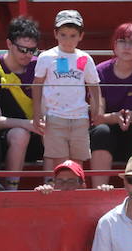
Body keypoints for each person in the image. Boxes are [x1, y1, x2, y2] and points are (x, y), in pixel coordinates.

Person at [33, 9, 102, 176]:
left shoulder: (85, 58)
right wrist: (37, 113)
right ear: (55, 34)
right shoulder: (46, 57)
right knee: (61, 165)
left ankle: (78, 197)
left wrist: (97, 109)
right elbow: (37, 84)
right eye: (63, 34)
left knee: (78, 165)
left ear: (81, 36)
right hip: (55, 117)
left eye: (73, 35)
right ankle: (62, 197)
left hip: (80, 117)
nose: (68, 40)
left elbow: (93, 84)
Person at [90, 23, 132, 185]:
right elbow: (97, 117)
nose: (127, 47)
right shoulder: (100, 71)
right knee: (101, 132)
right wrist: (116, 118)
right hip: (107, 131)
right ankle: (99, 190)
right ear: (114, 45)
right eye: (122, 41)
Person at [0, 16, 42, 189]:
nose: (27, 55)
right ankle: (11, 189)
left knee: (58, 127)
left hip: (39, 131)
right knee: (20, 134)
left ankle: (54, 186)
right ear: (9, 44)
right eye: (22, 49)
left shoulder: (41, 65)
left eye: (32, 50)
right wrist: (29, 124)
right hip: (5, 139)